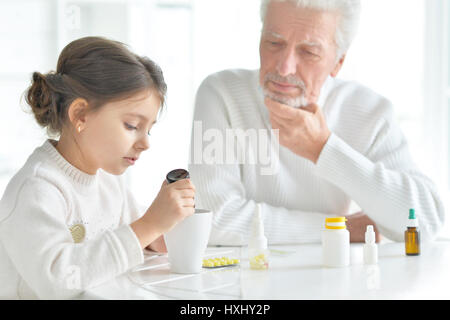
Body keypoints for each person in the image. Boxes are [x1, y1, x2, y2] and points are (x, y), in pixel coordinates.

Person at [189, 0, 445, 245]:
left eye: (308, 52)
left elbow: (426, 221)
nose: (285, 67)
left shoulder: (370, 111)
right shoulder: (221, 94)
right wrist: (339, 228)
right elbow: (212, 220)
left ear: (338, 63)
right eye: (274, 43)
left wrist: (323, 149)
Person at [0, 37, 196, 299]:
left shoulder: (108, 180)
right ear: (80, 115)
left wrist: (163, 229)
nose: (146, 143)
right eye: (131, 126)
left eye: (149, 129)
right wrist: (149, 225)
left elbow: (140, 240)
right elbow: (59, 281)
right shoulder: (36, 190)